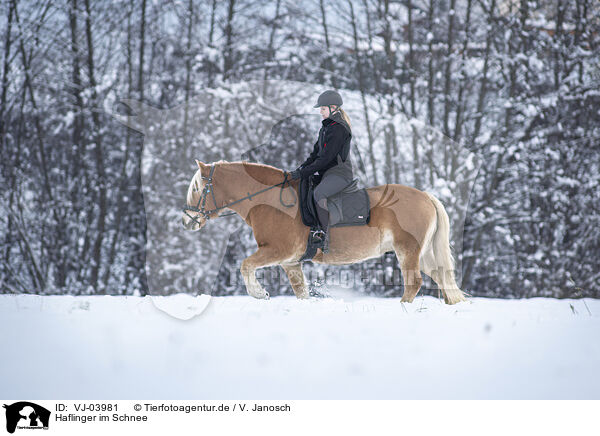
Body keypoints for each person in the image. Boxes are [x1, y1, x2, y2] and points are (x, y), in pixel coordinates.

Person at [289, 90, 354, 253]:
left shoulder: (339, 128)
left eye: (323, 108)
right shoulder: (325, 128)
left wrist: (304, 172)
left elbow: (325, 159)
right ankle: (312, 229)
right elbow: (315, 155)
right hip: (327, 174)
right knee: (304, 187)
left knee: (319, 194)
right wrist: (300, 170)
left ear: (333, 108)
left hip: (339, 174)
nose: (320, 111)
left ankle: (328, 236)